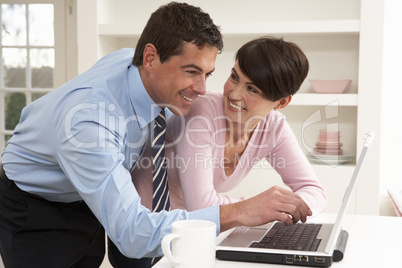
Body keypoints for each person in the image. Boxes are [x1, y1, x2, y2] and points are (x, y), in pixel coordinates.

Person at [0, 2, 311, 268]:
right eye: (191, 71)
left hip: (86, 195)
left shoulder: (134, 64)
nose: (203, 90)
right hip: (35, 205)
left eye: (208, 74)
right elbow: (133, 235)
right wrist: (241, 211)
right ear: (150, 58)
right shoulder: (89, 125)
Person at [134, 36, 327, 216]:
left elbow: (314, 191)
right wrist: (260, 206)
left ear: (281, 103)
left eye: (252, 89)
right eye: (234, 77)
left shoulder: (274, 127)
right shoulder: (201, 112)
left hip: (197, 229)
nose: (234, 94)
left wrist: (278, 208)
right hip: (148, 224)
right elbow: (200, 205)